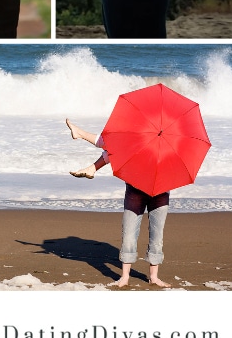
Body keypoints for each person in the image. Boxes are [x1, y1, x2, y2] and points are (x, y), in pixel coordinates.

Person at [66, 118, 171, 289]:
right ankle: (125, 277)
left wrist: (93, 166)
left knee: (156, 235)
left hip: (159, 192)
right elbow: (111, 148)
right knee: (130, 234)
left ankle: (154, 277)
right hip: (137, 189)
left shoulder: (165, 143)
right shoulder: (139, 136)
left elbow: (110, 148)